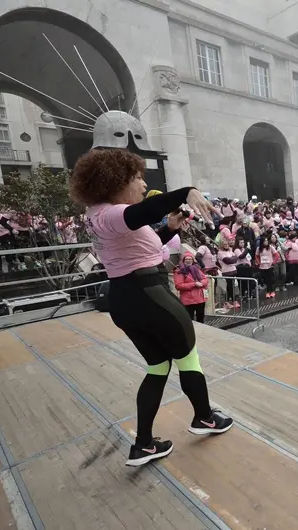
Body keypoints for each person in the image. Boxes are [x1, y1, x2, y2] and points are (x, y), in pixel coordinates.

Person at [70, 149, 232, 467]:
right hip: (148, 293)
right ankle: (205, 418)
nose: (144, 184)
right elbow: (141, 213)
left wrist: (171, 226)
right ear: (115, 183)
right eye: (137, 178)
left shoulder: (98, 214)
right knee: (188, 355)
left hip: (125, 298)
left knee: (158, 367)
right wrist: (186, 192)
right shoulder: (113, 213)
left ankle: (143, 444)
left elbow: (146, 247)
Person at [173, 252, 209, 323]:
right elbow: (179, 285)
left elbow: (205, 279)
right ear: (183, 260)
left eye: (190, 259)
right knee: (190, 321)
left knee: (201, 319)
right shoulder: (179, 271)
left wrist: (201, 283)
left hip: (200, 299)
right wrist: (194, 284)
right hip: (188, 300)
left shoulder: (196, 269)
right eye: (186, 259)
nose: (188, 260)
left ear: (193, 261)